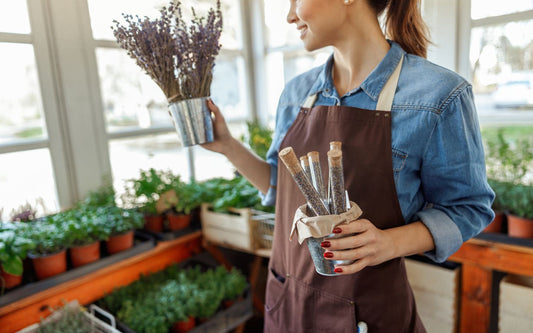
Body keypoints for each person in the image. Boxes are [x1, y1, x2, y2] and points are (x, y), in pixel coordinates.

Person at [201, 0, 495, 331]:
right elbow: (283, 187)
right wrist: (227, 146)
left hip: (368, 313)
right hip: (288, 303)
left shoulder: (437, 96)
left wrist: (389, 243)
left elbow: (468, 208)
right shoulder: (297, 93)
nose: (290, 15)